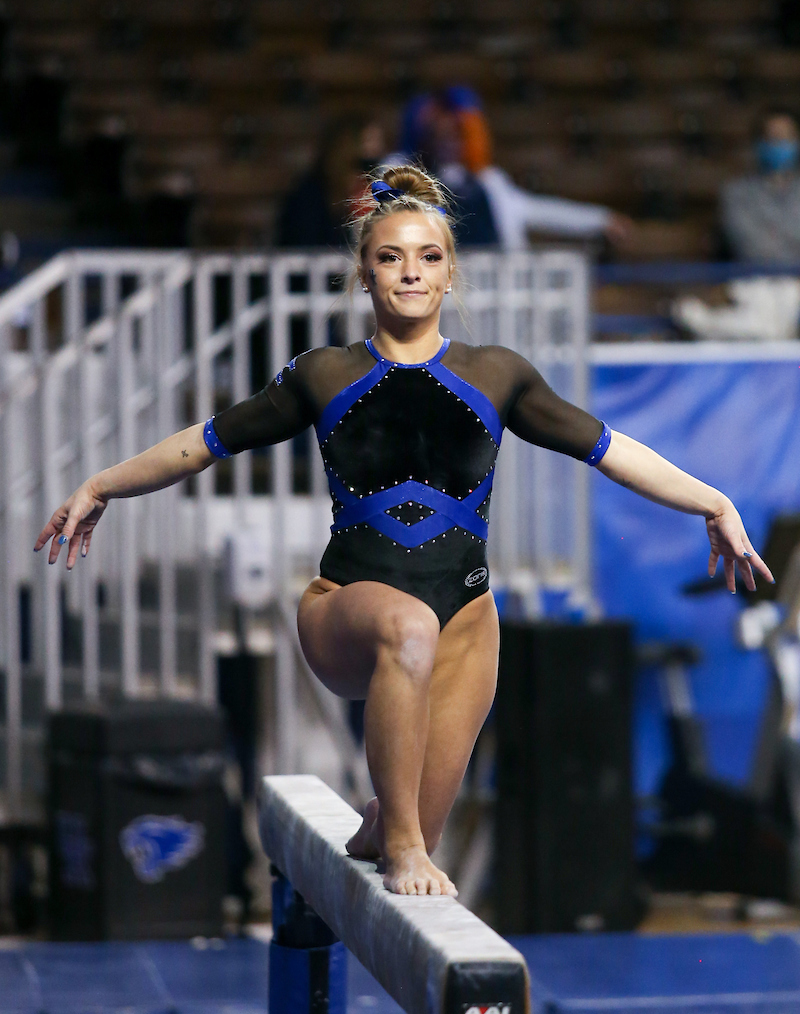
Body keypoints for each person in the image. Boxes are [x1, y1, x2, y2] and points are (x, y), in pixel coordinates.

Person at [35, 165, 772, 898]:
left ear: (451, 273)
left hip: (467, 622)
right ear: (363, 274)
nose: (410, 273)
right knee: (408, 654)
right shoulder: (323, 375)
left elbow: (611, 449)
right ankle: (399, 842)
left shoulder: (498, 374)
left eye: (427, 257)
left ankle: (381, 827)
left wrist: (714, 503)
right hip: (346, 611)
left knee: (415, 814)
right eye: (390, 257)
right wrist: (101, 483)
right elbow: (201, 443)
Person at [395, 87, 632, 250]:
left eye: (457, 135)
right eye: (440, 135)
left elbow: (541, 211)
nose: (449, 143)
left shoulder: (490, 181)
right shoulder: (406, 176)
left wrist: (600, 219)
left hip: (495, 289)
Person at [275, 116, 385, 249]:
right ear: (331, 153)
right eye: (353, 163)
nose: (357, 174)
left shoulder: (378, 197)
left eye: (365, 165)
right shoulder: (304, 199)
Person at [720, 108, 800, 263]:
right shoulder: (736, 192)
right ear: (759, 143)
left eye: (785, 137)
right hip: (754, 280)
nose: (779, 143)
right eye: (773, 138)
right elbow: (750, 247)